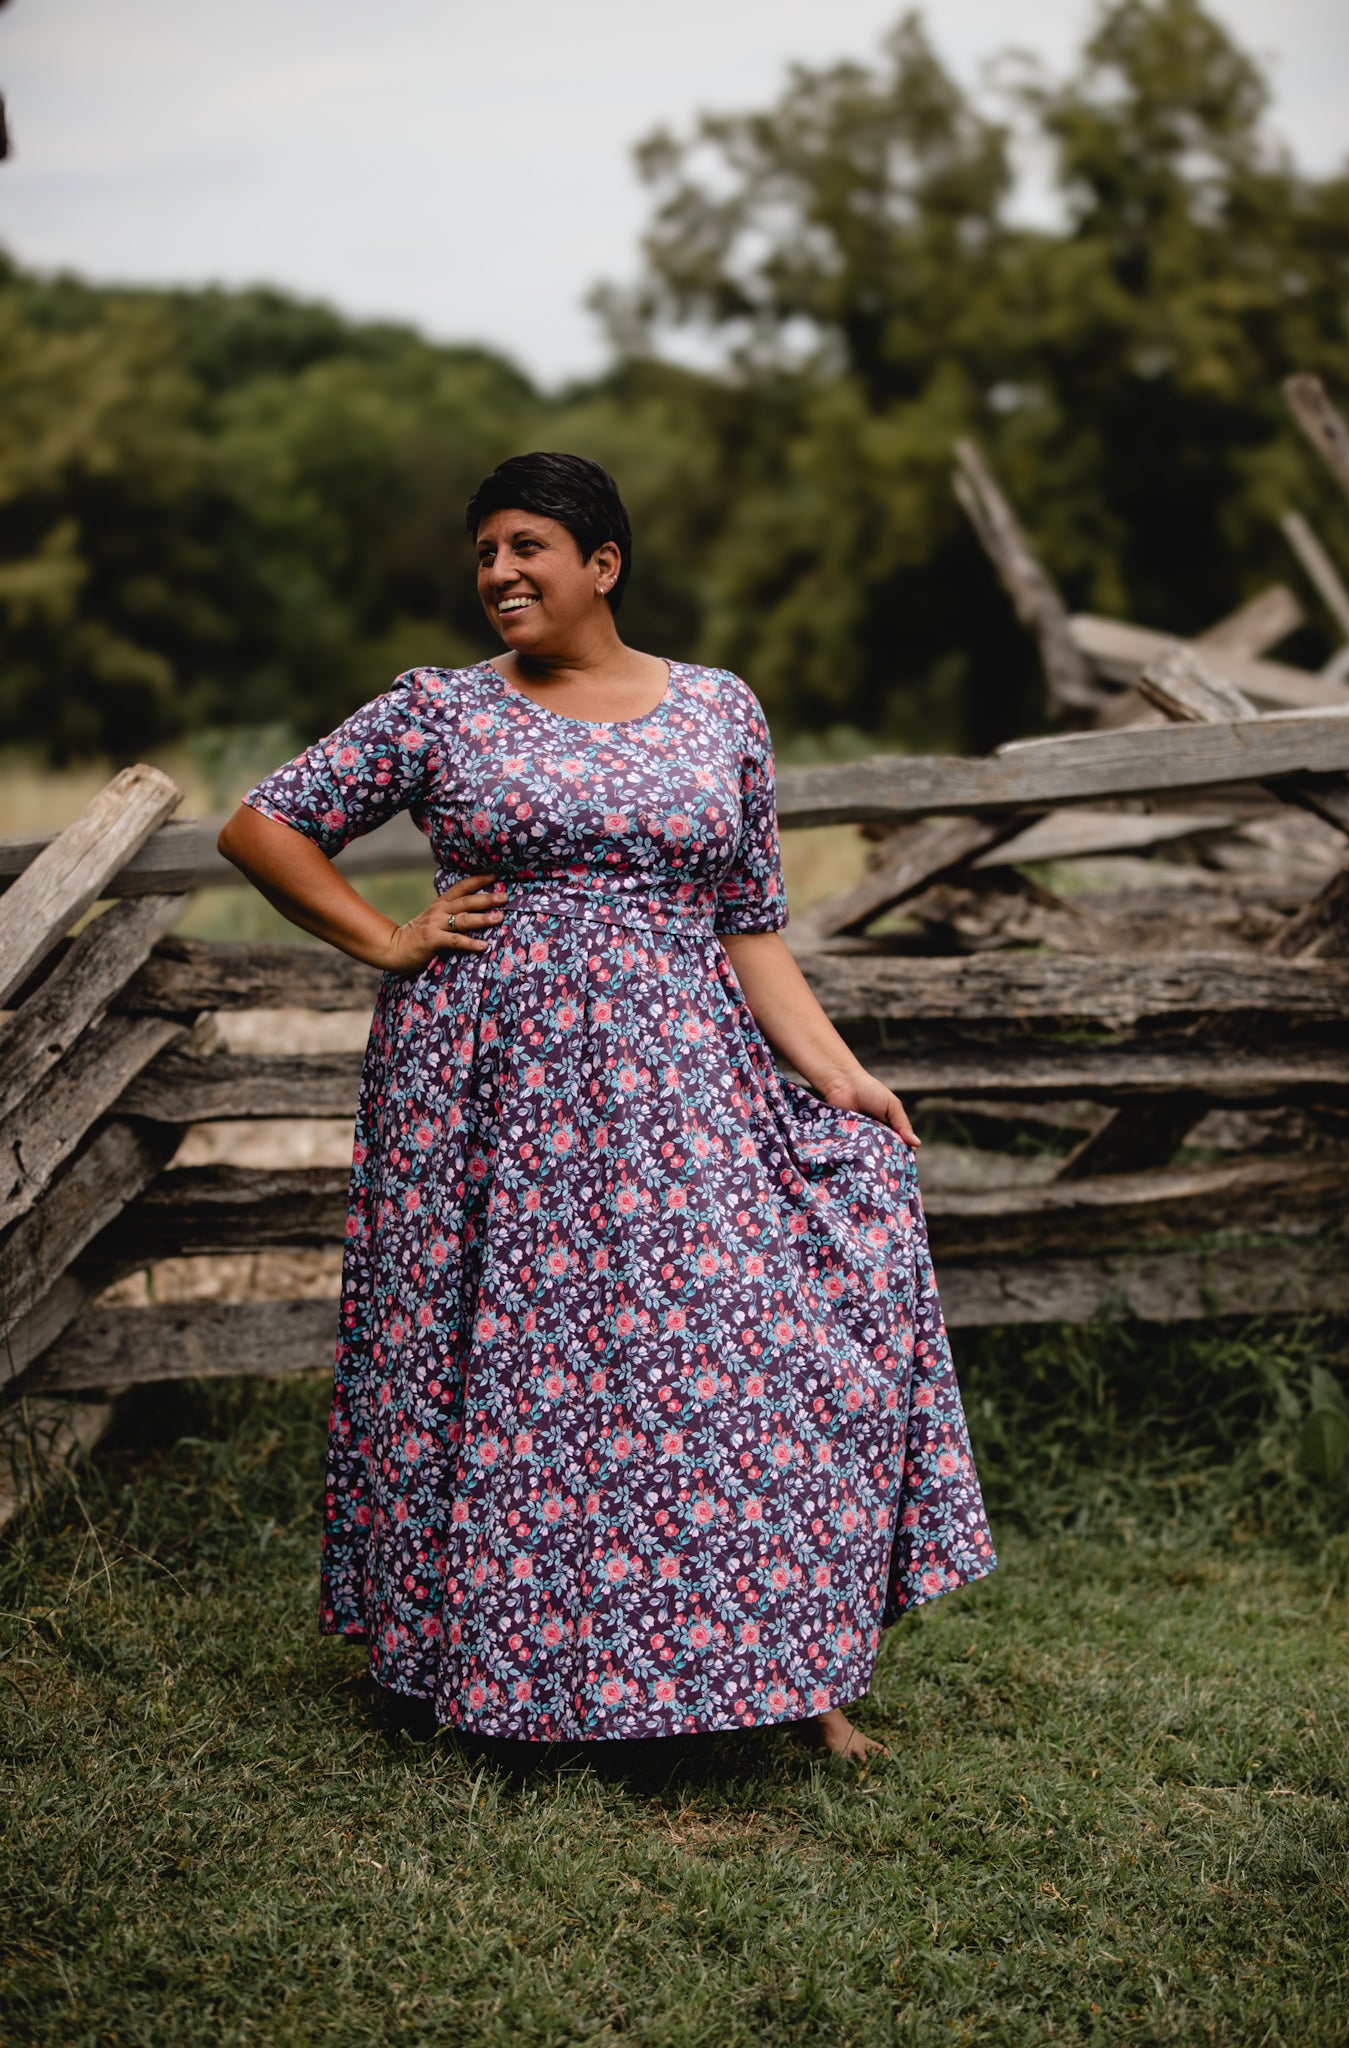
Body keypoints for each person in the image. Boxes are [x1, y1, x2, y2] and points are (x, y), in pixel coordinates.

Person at [219, 451, 995, 1763]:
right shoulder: (437, 711)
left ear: (602, 563)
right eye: (482, 555)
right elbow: (264, 828)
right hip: (485, 1103)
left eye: (525, 546)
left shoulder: (716, 712)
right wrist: (385, 941)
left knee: (730, 1360)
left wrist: (838, 1074)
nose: (499, 574)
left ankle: (792, 1674)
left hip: (685, 1095)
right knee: (499, 1375)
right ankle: (476, 1665)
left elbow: (750, 928)